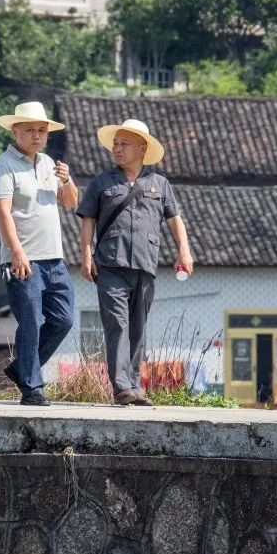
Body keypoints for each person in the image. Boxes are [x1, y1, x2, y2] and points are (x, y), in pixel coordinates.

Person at [76, 119, 193, 406]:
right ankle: (122, 389)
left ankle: (135, 385)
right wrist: (86, 255)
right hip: (110, 265)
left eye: (123, 144)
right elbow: (88, 219)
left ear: (142, 149)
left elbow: (174, 219)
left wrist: (184, 251)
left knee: (137, 328)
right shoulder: (102, 182)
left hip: (145, 265)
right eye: (115, 143)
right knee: (117, 325)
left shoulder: (159, 184)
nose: (117, 148)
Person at [0, 102, 77, 407]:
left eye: (41, 130)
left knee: (63, 320)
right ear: (15, 131)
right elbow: (3, 215)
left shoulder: (48, 163)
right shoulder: (3, 167)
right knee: (30, 321)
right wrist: (17, 254)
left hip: (54, 258)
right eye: (30, 130)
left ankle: (21, 369)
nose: (37, 135)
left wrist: (66, 179)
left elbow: (69, 201)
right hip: (23, 259)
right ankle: (32, 388)